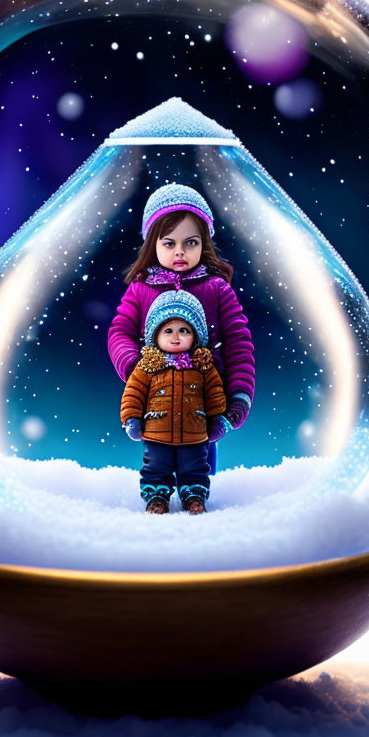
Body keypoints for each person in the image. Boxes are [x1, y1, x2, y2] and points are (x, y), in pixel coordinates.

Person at [107, 183, 255, 474]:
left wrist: (239, 395)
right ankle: (160, 498)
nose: (180, 252)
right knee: (158, 459)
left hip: (208, 397)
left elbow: (238, 343)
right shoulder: (141, 289)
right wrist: (136, 366)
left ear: (204, 243)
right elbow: (120, 332)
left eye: (191, 242)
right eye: (169, 243)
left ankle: (197, 507)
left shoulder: (217, 289)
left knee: (200, 465)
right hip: (155, 396)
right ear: (153, 244)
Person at [120, 290, 227, 514]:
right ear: (156, 335)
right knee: (156, 468)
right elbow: (133, 393)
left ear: (196, 335)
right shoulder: (147, 367)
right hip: (156, 432)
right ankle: (156, 496)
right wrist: (132, 418)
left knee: (195, 468)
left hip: (194, 433)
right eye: (168, 330)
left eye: (184, 330)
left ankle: (195, 495)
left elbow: (215, 394)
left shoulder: (204, 368)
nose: (175, 337)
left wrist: (218, 419)